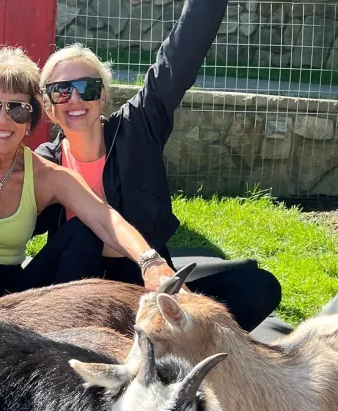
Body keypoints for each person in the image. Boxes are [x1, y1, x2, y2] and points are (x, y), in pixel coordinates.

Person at [35, 0, 282, 333]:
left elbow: (178, 61)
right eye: (61, 91)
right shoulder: (44, 162)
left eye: (87, 88)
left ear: (103, 96)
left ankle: (169, 342)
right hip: (82, 292)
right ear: (48, 107)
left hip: (148, 280)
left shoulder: (137, 128)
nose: (75, 99)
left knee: (257, 287)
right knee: (80, 240)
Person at [0, 47, 174, 314]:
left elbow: (104, 218)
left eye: (17, 110)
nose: (2, 119)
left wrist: (151, 263)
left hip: (9, 304)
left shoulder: (44, 174)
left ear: (30, 121)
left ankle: (63, 335)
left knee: (83, 231)